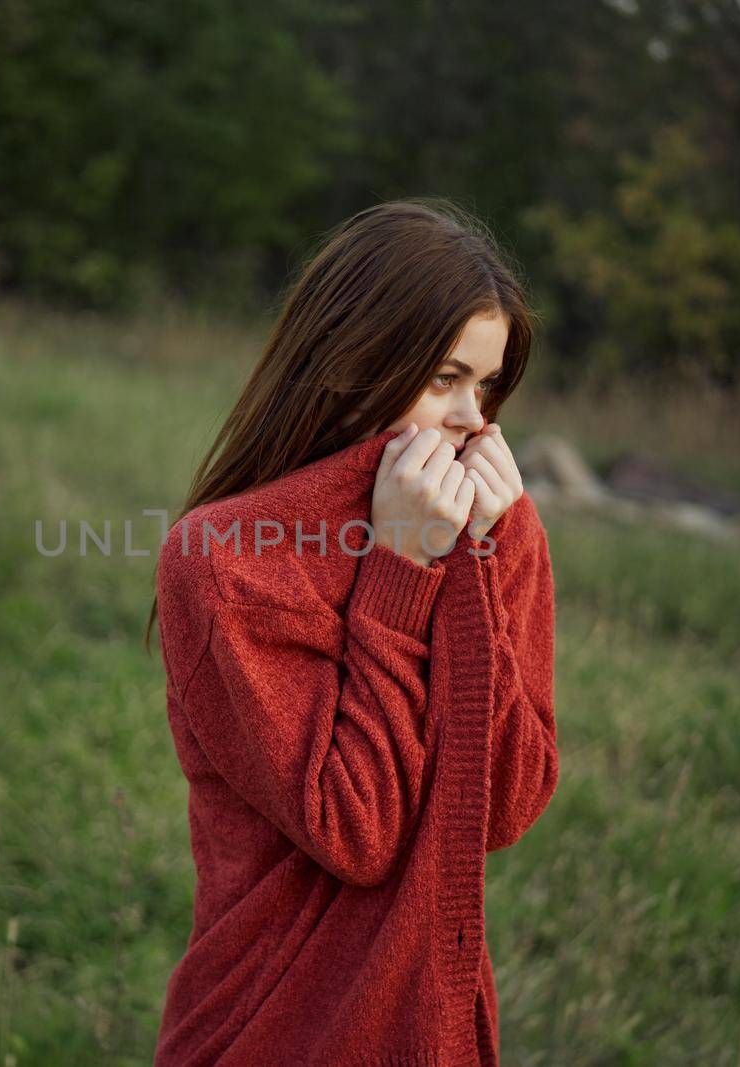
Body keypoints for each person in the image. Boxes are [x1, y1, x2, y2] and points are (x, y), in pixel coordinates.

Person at [145, 198, 559, 1065]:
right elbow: (355, 829)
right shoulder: (224, 560)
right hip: (270, 1020)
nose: (471, 420)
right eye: (444, 378)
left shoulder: (485, 523)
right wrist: (400, 574)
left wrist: (494, 554)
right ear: (354, 361)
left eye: (486, 386)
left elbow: (509, 800)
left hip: (430, 1023)